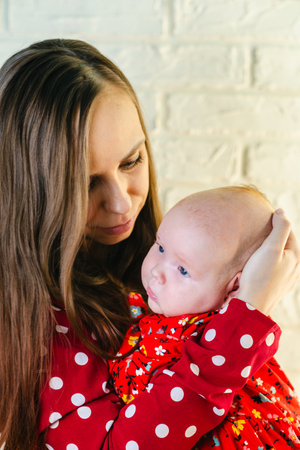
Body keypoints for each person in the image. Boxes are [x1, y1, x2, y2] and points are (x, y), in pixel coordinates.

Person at [0, 39, 299, 450]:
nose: (123, 203)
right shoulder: (40, 322)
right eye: (85, 184)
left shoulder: (157, 260)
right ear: (30, 191)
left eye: (131, 161)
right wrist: (244, 322)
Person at [109, 186, 300, 448]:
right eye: (161, 247)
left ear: (234, 287)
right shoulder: (160, 320)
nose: (157, 272)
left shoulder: (209, 341)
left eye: (183, 270)